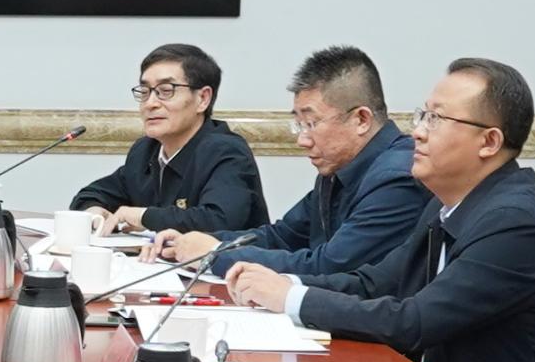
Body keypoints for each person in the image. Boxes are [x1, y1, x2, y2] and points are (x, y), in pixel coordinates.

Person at [222, 57, 535, 362]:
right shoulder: (449, 205)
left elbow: (413, 322)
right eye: (422, 115)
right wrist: (283, 285)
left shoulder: (515, 222)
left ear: (489, 142)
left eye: (436, 119)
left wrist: (292, 299)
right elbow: (373, 283)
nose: (418, 132)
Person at [165, 47, 422, 291]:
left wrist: (215, 254)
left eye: (311, 123)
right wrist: (190, 242)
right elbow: (282, 236)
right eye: (299, 124)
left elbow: (329, 266)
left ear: (361, 119)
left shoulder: (398, 179)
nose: (302, 140)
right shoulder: (338, 169)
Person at [73, 44, 267, 239]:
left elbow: (218, 220)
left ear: (203, 99)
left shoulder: (227, 151)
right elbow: (91, 195)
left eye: (166, 90)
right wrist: (94, 212)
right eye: (145, 91)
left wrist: (143, 216)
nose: (150, 103)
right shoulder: (146, 150)